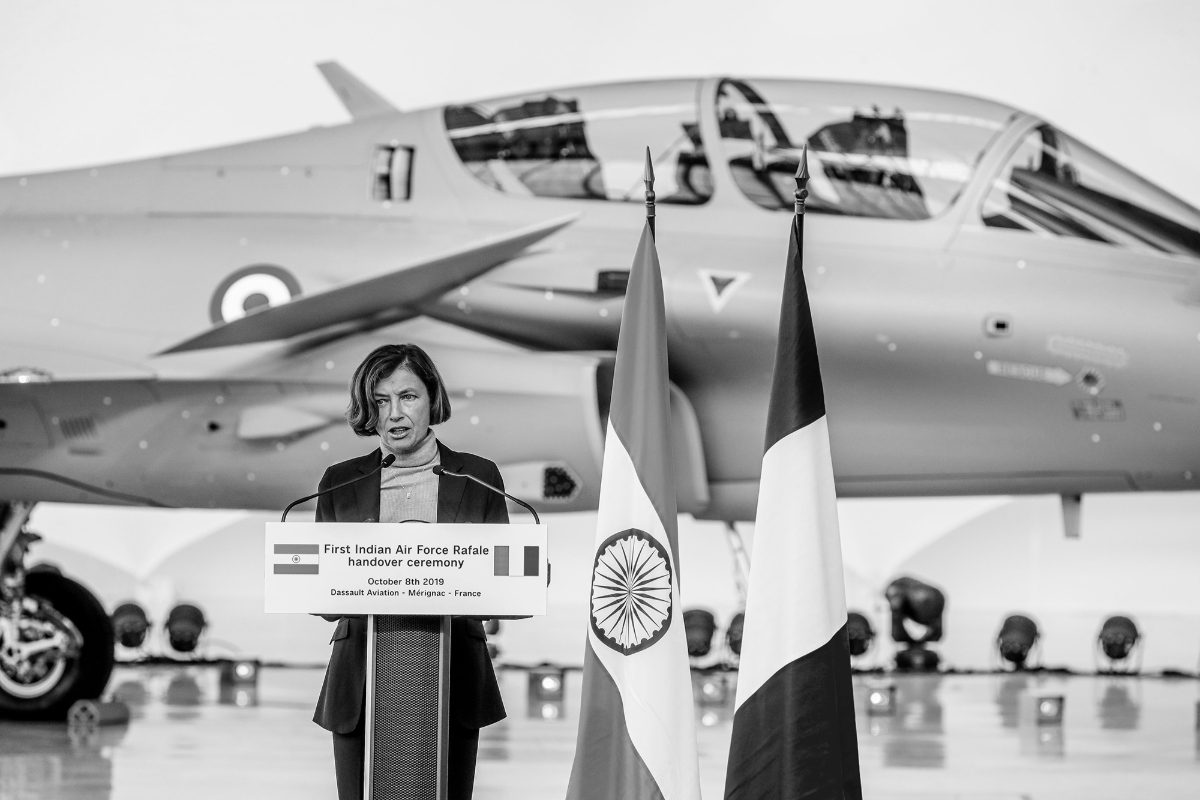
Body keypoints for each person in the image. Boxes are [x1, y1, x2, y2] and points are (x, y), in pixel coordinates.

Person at [311, 343, 507, 800]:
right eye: (381, 401)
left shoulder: (477, 477)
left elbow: (499, 585)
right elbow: (323, 596)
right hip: (361, 682)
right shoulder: (341, 481)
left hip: (453, 674)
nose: (395, 413)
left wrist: (521, 583)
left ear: (432, 397)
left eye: (408, 397)